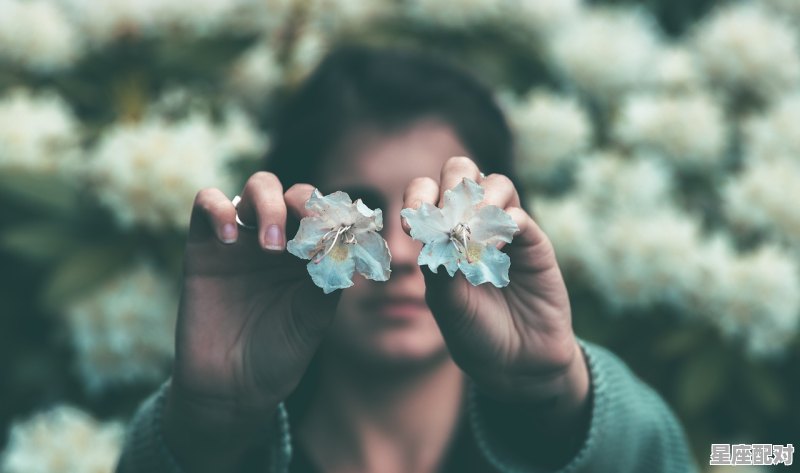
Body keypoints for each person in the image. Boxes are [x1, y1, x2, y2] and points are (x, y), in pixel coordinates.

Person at [116, 46, 699, 473]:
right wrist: (206, 428)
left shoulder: (567, 440)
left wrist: (557, 389)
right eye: (359, 212)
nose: (398, 254)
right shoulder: (223, 444)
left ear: (508, 225)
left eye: (438, 209)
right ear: (293, 232)